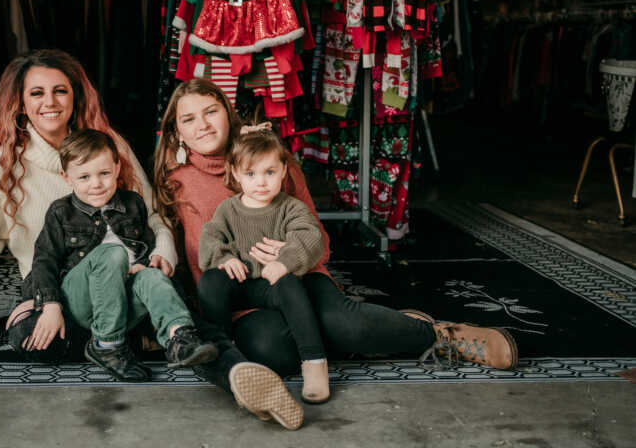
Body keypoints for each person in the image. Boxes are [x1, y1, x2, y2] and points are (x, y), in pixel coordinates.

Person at [153, 78, 518, 381]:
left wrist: (285, 253)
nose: (202, 125)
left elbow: (320, 241)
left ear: (228, 114)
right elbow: (178, 254)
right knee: (274, 352)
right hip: (242, 300)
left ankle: (435, 334)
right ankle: (366, 329)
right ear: (177, 132)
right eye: (188, 119)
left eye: (210, 111)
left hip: (298, 276)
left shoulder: (267, 160)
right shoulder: (175, 182)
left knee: (344, 326)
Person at [0, 50, 178, 340]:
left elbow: (152, 215)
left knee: (188, 326)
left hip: (127, 285)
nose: (50, 102)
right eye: (36, 93)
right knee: (30, 341)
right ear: (20, 102)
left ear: (74, 97)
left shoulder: (108, 145)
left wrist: (164, 252)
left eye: (60, 91)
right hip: (58, 298)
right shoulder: (3, 168)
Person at [22, 128, 218, 381]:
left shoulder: (132, 203)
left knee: (153, 278)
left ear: (117, 168)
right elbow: (44, 261)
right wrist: (50, 306)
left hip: (122, 302)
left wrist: (146, 264)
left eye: (104, 173)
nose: (96, 184)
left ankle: (180, 338)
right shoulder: (61, 212)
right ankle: (107, 345)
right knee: (112, 253)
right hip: (81, 300)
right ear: (67, 178)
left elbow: (145, 247)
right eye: (84, 177)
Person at [198, 122, 329, 403]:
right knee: (210, 281)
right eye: (251, 173)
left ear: (283, 170)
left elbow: (311, 236)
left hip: (273, 287)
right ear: (235, 173)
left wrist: (285, 262)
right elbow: (210, 237)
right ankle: (223, 352)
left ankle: (314, 362)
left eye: (269, 172)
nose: (261, 182)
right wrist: (224, 257)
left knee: (290, 284)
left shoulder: (290, 207)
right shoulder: (228, 209)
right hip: (240, 284)